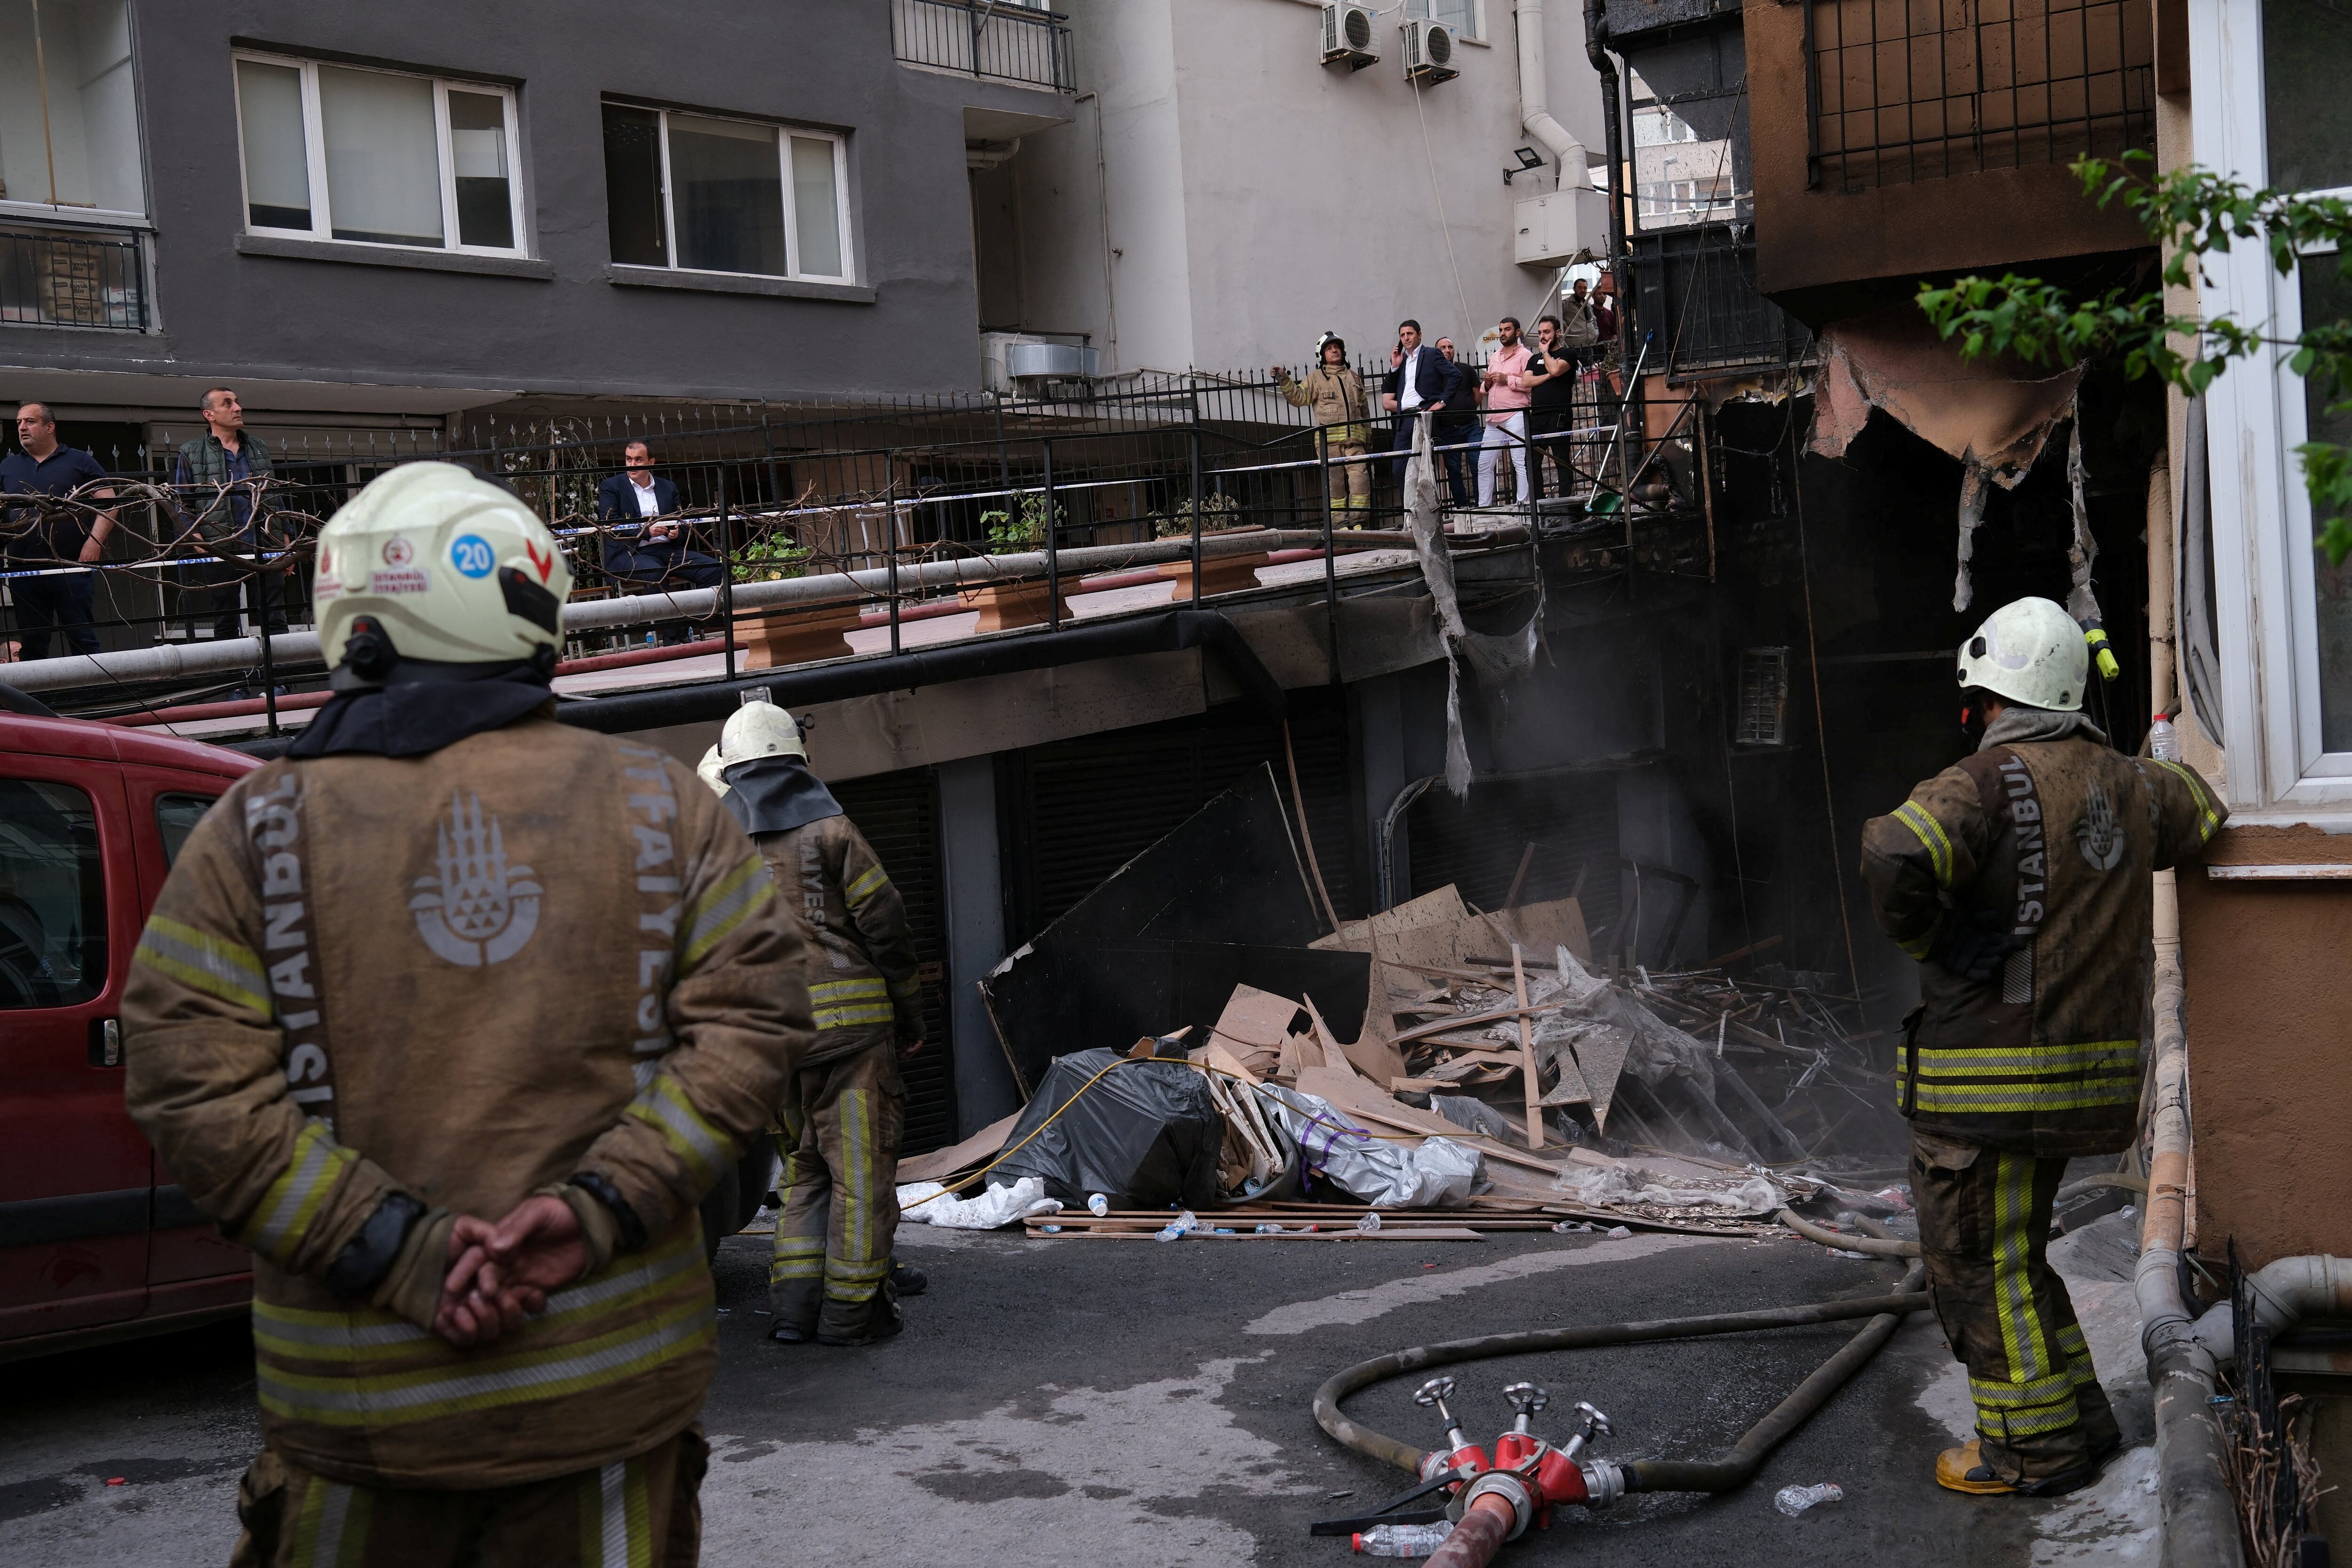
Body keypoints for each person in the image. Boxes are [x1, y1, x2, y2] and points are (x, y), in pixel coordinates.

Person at [123, 461, 808, 1566]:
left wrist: (404, 1252)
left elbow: (187, 1082)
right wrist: (593, 1208)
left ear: (354, 618)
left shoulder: (251, 833)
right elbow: (757, 1030)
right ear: (532, 614)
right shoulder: (662, 804)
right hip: (607, 1417)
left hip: (359, 1425)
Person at [1859, 595, 2225, 1498]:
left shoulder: (1985, 782)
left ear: (1995, 697)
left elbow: (1893, 852)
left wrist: (1935, 942)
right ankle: (2079, 1421)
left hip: (1988, 1085)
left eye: (1978, 701)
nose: (1976, 718)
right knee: (2015, 1262)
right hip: (2089, 1083)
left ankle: (2033, 1452)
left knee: (1977, 1267)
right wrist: (2160, 760)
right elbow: (2206, 815)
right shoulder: (2134, 786)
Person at [696, 702, 925, 1347]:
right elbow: (887, 921)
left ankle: (794, 1310)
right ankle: (853, 1315)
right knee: (861, 1177)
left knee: (803, 1166)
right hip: (853, 1041)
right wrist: (910, 1010)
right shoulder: (833, 831)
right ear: (797, 757)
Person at [2, 402, 117, 659]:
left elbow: (110, 503)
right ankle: (41, 699)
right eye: (19, 422)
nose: (22, 428)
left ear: (50, 427)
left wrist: (94, 543)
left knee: (82, 638)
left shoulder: (79, 460)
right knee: (33, 642)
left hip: (71, 564)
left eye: (30, 422)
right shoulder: (8, 467)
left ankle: (93, 695)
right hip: (25, 568)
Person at [172, 388, 286, 643]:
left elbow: (273, 495)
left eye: (237, 402)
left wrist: (285, 541)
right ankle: (236, 683)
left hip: (264, 545)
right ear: (209, 414)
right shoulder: (191, 452)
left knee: (275, 621)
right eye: (228, 403)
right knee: (226, 620)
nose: (238, 408)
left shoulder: (256, 447)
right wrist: (199, 542)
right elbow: (182, 503)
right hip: (220, 547)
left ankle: (281, 683)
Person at [597, 440, 723, 644]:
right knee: (657, 571)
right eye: (629, 460)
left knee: (713, 569)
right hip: (630, 553)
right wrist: (646, 531)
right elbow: (611, 524)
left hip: (667, 549)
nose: (632, 465)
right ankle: (671, 638)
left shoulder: (667, 487)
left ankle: (688, 622)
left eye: (639, 460)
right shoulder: (612, 486)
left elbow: (682, 521)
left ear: (651, 462)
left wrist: (676, 533)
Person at [1274, 333, 1375, 523]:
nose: (1334, 350)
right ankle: (1340, 525)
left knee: (1361, 482)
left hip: (1356, 443)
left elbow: (1365, 413)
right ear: (1322, 356)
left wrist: (1369, 443)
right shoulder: (1315, 379)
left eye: (1337, 347)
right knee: (1335, 486)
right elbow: (1299, 398)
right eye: (1329, 349)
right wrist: (1284, 380)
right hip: (1329, 444)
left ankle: (1359, 523)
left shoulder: (1354, 378)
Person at [1381, 321, 1460, 491]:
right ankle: (1410, 511)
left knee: (1424, 468)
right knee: (1399, 468)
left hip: (1423, 415)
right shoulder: (1401, 360)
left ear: (1419, 335)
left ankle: (1427, 512)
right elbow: (1388, 388)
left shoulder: (1431, 354)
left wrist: (1442, 402)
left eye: (1410, 334)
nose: (1406, 338)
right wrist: (1394, 367)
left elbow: (1455, 375)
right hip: (1403, 419)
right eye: (1403, 335)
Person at [1476, 317, 1534, 508]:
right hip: (1493, 417)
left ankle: (1523, 505)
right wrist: (1488, 382)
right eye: (1501, 330)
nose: (1503, 333)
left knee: (1520, 462)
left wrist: (1506, 379)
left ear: (1517, 332)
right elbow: (1485, 389)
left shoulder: (1526, 355)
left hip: (1516, 413)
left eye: (1507, 329)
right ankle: (1484, 507)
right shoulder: (1495, 356)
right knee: (1484, 464)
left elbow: (1530, 386)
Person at [1520, 317, 1579, 501]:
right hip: (1537, 416)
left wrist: (1546, 353)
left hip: (1558, 414)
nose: (1543, 336)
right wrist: (1547, 376)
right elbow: (1526, 382)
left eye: (1547, 332)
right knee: (1531, 461)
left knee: (1561, 459)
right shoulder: (1533, 359)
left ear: (1558, 333)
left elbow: (1556, 370)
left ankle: (1564, 502)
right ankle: (1539, 502)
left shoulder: (1568, 353)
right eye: (1540, 333)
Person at [1430, 338, 1478, 508]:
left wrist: (1468, 408)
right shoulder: (1434, 374)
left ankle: (1482, 504)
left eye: (1450, 347)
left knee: (1478, 464)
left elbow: (1477, 395)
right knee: (1454, 471)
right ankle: (1462, 506)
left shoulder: (1466, 369)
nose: (1447, 350)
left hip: (1471, 425)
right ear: (1437, 352)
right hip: (1447, 429)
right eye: (1443, 347)